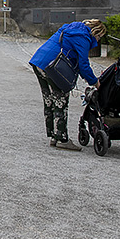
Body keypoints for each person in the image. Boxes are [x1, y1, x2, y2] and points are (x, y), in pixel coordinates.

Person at [29, 19, 106, 149]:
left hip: (39, 61)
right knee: (60, 101)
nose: (98, 40)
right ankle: (62, 139)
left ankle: (53, 135)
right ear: (96, 32)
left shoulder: (70, 28)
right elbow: (83, 64)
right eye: (99, 37)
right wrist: (95, 82)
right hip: (53, 66)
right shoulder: (84, 37)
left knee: (49, 101)